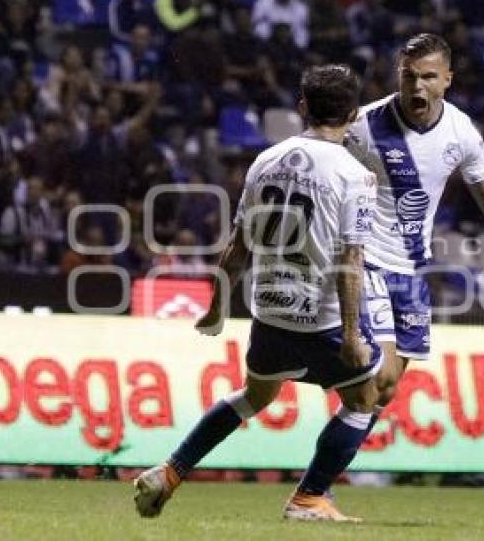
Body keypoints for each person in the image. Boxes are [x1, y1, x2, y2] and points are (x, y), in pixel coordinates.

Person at [133, 64, 384, 522]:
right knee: (366, 398)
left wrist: (216, 308)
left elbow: (238, 245)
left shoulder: (265, 160)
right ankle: (309, 497)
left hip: (268, 310)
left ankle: (170, 471)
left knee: (255, 396)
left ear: (303, 107)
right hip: (320, 316)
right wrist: (351, 333)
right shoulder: (355, 174)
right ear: (353, 112)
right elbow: (351, 259)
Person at [339, 33, 484, 455]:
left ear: (447, 80)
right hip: (366, 262)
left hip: (414, 270)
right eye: (408, 77)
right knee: (375, 380)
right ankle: (312, 492)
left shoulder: (461, 133)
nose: (417, 87)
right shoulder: (362, 125)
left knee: (384, 394)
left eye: (428, 78)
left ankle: (318, 479)